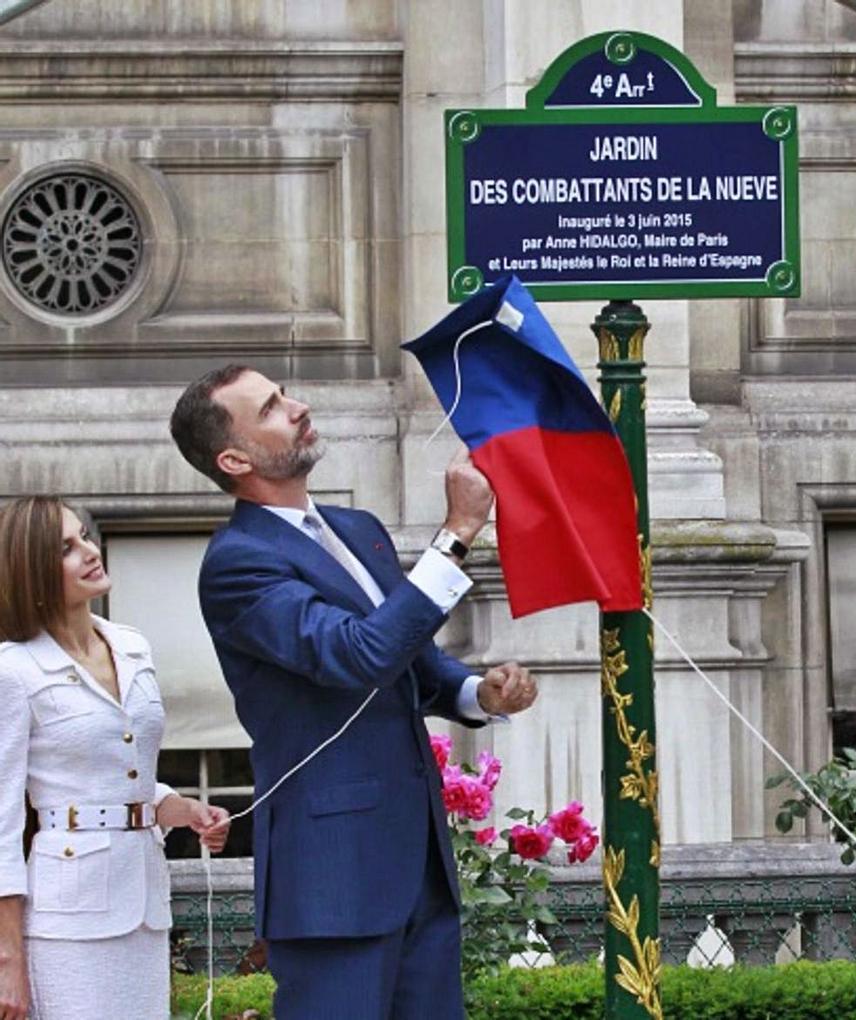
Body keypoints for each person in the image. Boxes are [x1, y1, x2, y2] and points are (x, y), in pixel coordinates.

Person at [169, 365, 539, 1020]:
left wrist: (481, 692)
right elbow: (355, 655)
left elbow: (410, 661)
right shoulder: (237, 561)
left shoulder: (357, 526)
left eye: (287, 393)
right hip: (332, 878)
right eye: (274, 408)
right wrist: (456, 534)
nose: (300, 405)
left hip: (418, 858)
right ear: (234, 458)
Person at [0, 496, 229, 1020]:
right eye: (66, 548)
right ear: (30, 567)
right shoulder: (13, 670)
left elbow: (124, 776)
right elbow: (2, 826)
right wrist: (7, 960)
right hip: (66, 920)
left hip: (145, 906)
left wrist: (182, 809)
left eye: (83, 536)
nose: (89, 551)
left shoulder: (131, 645)